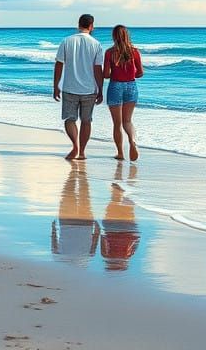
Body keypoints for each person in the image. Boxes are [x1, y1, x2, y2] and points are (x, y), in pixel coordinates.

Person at [53, 13, 104, 161]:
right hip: (89, 89)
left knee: (70, 119)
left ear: (78, 25)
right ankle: (81, 152)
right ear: (91, 26)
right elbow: (97, 69)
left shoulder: (66, 41)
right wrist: (100, 89)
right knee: (86, 121)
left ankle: (75, 146)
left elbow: (59, 64)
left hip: (69, 87)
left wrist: (56, 85)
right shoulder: (96, 44)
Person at [102, 24, 143, 161]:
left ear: (114, 36)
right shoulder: (135, 52)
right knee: (128, 121)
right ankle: (132, 141)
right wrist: (130, 73)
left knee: (117, 124)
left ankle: (120, 153)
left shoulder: (109, 52)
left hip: (115, 86)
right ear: (127, 36)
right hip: (131, 86)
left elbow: (106, 75)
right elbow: (140, 73)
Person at [50, 163, 100, 265]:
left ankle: (81, 171)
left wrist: (97, 227)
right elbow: (54, 245)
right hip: (67, 223)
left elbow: (94, 243)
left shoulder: (87, 259)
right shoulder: (59, 259)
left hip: (86, 225)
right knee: (68, 193)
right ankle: (74, 171)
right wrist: (53, 228)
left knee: (84, 194)